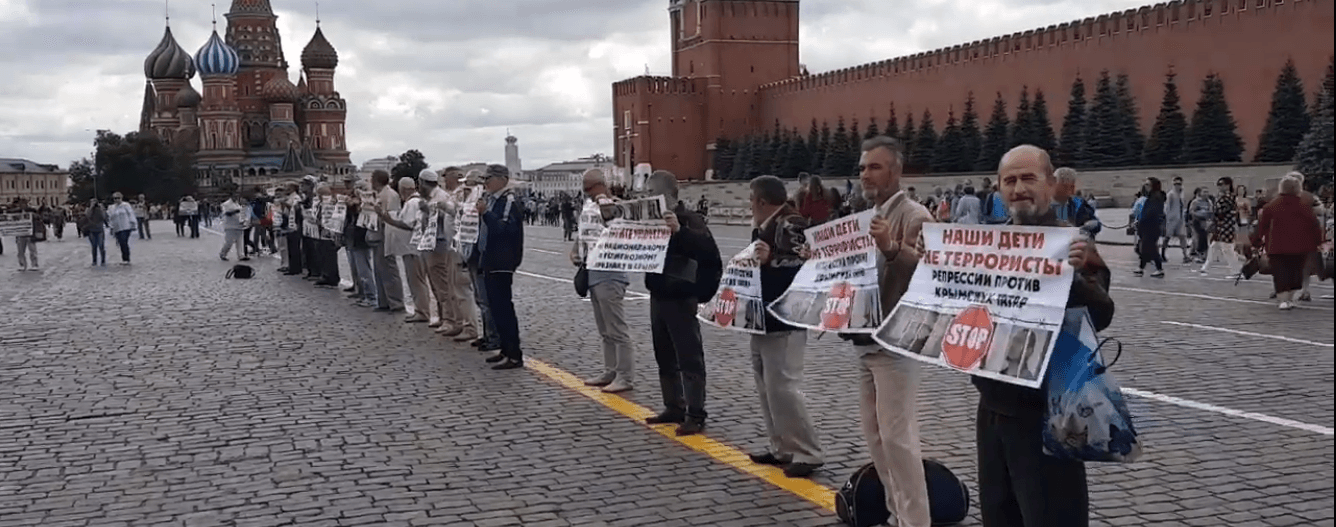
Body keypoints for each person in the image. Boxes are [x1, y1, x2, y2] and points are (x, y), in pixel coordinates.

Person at [979, 145, 1115, 527]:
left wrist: (1071, 277)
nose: (1018, 188)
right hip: (992, 406)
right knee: (999, 515)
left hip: (1048, 411)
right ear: (999, 189)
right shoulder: (985, 246)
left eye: (1028, 178)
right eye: (1010, 180)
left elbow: (1102, 313)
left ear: (1051, 184)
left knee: (1052, 516)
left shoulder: (1075, 245)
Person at [847, 136, 934, 527]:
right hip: (867, 339)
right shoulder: (865, 216)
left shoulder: (915, 215)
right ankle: (895, 514)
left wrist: (891, 248)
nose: (866, 174)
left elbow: (930, 272)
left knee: (898, 440)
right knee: (877, 439)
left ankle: (915, 521)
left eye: (875, 167)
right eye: (863, 167)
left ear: (896, 171)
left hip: (898, 341)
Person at [745, 175, 824, 479]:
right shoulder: (769, 225)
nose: (749, 205)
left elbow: (799, 271)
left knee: (784, 388)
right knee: (768, 388)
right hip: (764, 317)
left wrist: (770, 260)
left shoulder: (792, 224)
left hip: (785, 318)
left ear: (762, 201)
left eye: (751, 200)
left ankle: (808, 451)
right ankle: (782, 447)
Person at [643, 170, 722, 437]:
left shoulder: (691, 219)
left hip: (681, 295)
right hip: (658, 293)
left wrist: (679, 231)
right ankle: (673, 404)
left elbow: (708, 251)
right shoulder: (649, 221)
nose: (645, 198)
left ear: (665, 196)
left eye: (649, 194)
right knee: (663, 354)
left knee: (688, 356)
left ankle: (695, 412)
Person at [571, 169, 636, 393]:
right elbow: (585, 233)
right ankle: (610, 370)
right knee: (605, 330)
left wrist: (605, 202)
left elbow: (619, 229)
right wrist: (576, 249)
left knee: (617, 328)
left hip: (611, 272)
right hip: (592, 271)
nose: (586, 192)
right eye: (584, 188)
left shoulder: (615, 206)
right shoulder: (589, 205)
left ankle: (625, 376)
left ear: (601, 185)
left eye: (589, 188)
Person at [476, 165, 526, 370]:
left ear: (502, 179)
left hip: (502, 260)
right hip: (490, 258)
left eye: (489, 178)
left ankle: (514, 354)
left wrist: (486, 213)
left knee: (504, 308)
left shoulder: (508, 201)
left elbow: (504, 230)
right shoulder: (493, 200)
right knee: (495, 308)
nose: (485, 182)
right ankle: (505, 349)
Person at [1252, 174, 1323, 310]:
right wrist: (1318, 242)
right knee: (1296, 273)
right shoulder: (1304, 206)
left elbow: (1261, 225)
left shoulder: (1271, 205)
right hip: (1301, 246)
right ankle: (1289, 298)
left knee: (1280, 273)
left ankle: (1283, 299)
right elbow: (1314, 225)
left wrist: (1257, 241)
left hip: (1276, 245)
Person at [376, 177, 432, 323]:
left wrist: (389, 220)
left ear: (405, 189)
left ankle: (422, 311)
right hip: (413, 247)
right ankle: (421, 309)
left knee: (416, 281)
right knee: (416, 281)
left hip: (412, 248)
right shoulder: (415, 202)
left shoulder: (412, 203)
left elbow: (408, 225)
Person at [368, 170, 405, 313]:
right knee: (379, 269)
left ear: (376, 180)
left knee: (389, 269)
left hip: (386, 234)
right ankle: (383, 301)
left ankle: (396, 302)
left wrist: (380, 213)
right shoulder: (378, 194)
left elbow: (393, 216)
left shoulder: (390, 195)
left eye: (372, 179)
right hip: (377, 233)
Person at [1201, 177, 1241, 278]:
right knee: (1214, 246)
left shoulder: (1228, 197)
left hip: (1226, 225)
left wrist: (1213, 216)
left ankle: (1236, 270)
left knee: (1227, 248)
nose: (1219, 186)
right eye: (1218, 184)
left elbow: (1220, 211)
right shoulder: (1222, 197)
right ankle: (1206, 267)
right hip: (1220, 225)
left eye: (1221, 184)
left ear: (1227, 185)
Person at [345, 181, 377, 308]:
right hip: (353, 237)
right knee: (357, 268)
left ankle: (371, 296)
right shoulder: (354, 203)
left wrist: (357, 203)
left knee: (364, 269)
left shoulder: (367, 204)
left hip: (361, 238)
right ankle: (362, 292)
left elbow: (364, 213)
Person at [1051, 168, 1100, 237]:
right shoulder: (1042, 203)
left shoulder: (1077, 203)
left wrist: (1089, 225)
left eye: (1072, 186)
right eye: (1065, 186)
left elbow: (1093, 221)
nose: (1072, 190)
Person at [1134, 178, 1167, 277]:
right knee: (1145, 248)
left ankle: (1159, 269)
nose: (1145, 186)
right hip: (1146, 225)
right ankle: (1141, 268)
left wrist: (1141, 221)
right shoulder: (1149, 197)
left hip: (1151, 226)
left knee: (1151, 248)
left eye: (1148, 185)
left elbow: (1151, 213)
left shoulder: (1156, 198)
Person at [1163, 176, 1190, 263]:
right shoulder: (1171, 194)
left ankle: (1185, 255)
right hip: (1171, 219)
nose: (1177, 186)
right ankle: (1162, 253)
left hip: (1180, 218)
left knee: (1183, 237)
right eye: (1176, 184)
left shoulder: (1182, 193)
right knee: (1167, 237)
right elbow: (1167, 207)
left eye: (1179, 184)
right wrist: (1168, 218)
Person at [106, 192, 137, 265]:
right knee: (120, 243)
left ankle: (126, 258)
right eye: (115, 198)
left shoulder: (126, 205)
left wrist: (133, 224)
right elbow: (110, 218)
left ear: (121, 198)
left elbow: (131, 214)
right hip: (117, 228)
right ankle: (125, 257)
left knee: (124, 242)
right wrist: (111, 227)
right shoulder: (111, 207)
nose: (116, 200)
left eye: (118, 198)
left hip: (126, 227)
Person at [11, 198, 40, 271]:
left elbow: (39, 217)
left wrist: (33, 215)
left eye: (23, 203)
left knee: (32, 250)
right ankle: (22, 264)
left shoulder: (31, 210)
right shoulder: (16, 211)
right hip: (20, 233)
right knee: (20, 251)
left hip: (30, 233)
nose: (22, 205)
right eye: (21, 204)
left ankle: (34, 264)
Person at [219, 192, 248, 262]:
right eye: (235, 196)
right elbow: (226, 213)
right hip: (230, 226)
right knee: (229, 242)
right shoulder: (226, 204)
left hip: (239, 225)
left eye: (238, 196)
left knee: (240, 242)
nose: (237, 197)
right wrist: (235, 211)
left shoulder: (237, 204)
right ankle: (223, 253)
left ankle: (241, 255)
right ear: (231, 196)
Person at [1188, 188, 1213, 263]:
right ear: (1200, 193)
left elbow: (1211, 211)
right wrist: (1199, 214)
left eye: (1207, 192)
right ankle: (1198, 254)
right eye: (1204, 192)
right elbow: (1191, 211)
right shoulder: (1196, 202)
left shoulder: (1209, 202)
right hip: (1197, 221)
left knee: (1204, 238)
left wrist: (1209, 219)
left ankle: (1203, 255)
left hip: (1205, 221)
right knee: (1198, 237)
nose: (1206, 194)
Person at [85, 199, 108, 267]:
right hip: (91, 230)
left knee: (101, 246)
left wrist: (101, 208)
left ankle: (103, 261)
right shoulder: (88, 209)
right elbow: (87, 216)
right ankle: (94, 261)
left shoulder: (100, 209)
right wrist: (91, 207)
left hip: (100, 230)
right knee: (94, 246)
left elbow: (104, 217)